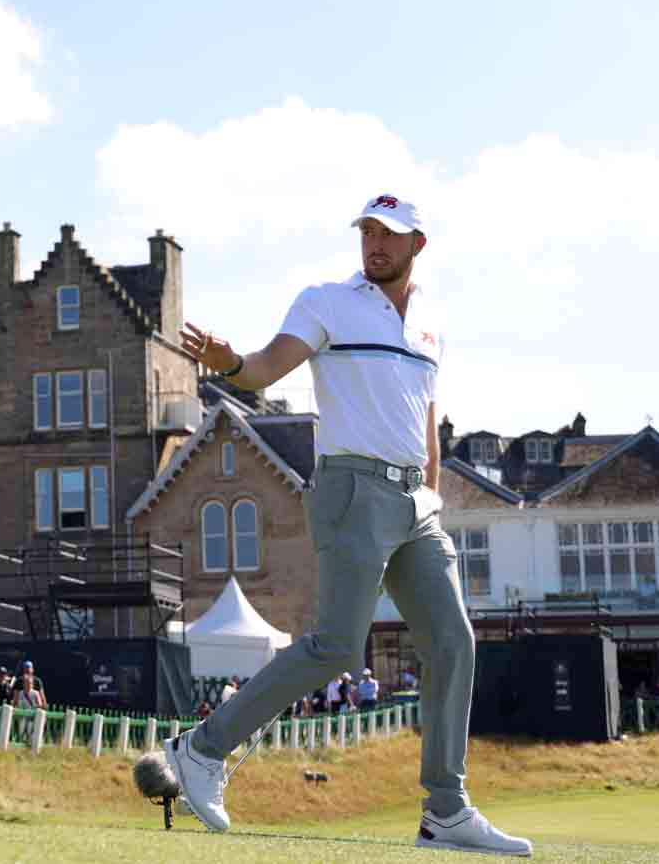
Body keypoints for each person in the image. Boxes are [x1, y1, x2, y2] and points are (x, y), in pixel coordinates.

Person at [168, 194, 531, 855]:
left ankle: (446, 811)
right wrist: (228, 363)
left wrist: (433, 493)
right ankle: (201, 749)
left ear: (417, 244)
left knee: (453, 641)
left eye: (389, 234)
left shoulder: (431, 328)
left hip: (414, 504)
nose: (375, 244)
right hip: (349, 490)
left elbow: (424, 422)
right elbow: (265, 367)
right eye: (367, 232)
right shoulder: (327, 301)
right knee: (336, 647)